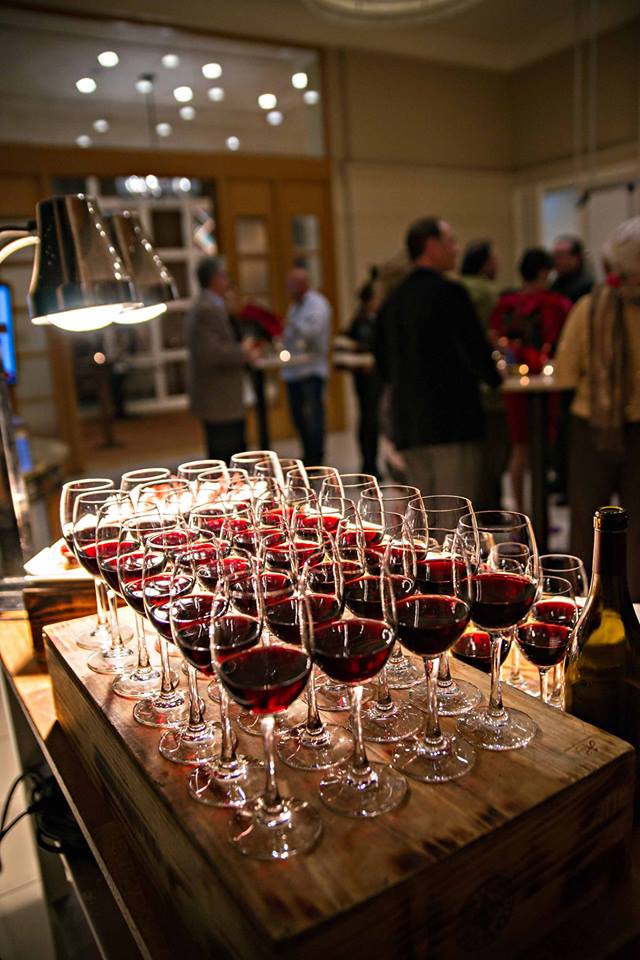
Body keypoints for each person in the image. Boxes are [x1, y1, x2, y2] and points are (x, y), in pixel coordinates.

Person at [376, 217, 501, 502]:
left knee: (423, 512)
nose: (456, 249)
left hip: (409, 423)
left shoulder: (393, 300)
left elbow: (382, 364)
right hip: (451, 422)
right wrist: (495, 378)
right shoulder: (450, 293)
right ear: (431, 246)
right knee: (452, 510)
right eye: (451, 242)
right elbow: (475, 352)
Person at [554, 217, 640, 597]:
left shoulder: (589, 308)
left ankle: (581, 599)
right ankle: (632, 608)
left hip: (592, 425)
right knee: (637, 529)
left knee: (588, 520)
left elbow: (565, 375)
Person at [490, 248, 571, 512]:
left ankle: (521, 512)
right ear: (544, 273)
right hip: (546, 383)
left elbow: (494, 337)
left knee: (520, 448)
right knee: (539, 449)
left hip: (515, 384)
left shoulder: (506, 304)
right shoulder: (554, 304)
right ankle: (535, 515)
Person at [185, 256, 262, 462]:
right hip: (218, 396)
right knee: (226, 454)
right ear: (215, 279)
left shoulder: (216, 305)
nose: (228, 281)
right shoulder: (206, 308)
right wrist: (243, 352)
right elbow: (212, 352)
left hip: (224, 395)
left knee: (233, 448)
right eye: (225, 276)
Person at [459, 239, 506, 509]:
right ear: (485, 263)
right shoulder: (487, 292)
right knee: (493, 454)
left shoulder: (456, 285)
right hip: (485, 387)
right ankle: (491, 508)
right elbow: (489, 336)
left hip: (459, 388)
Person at [281, 266, 331, 465]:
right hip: (293, 369)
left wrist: (292, 326)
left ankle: (316, 458)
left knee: (313, 417)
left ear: (302, 284)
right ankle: (308, 454)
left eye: (291, 285)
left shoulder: (317, 304)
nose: (288, 290)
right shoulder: (294, 307)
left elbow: (312, 333)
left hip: (311, 369)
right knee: (298, 417)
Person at [345, 268, 383, 476]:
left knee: (369, 419)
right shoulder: (365, 322)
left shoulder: (361, 320)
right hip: (368, 378)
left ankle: (370, 462)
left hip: (366, 378)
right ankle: (369, 464)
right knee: (370, 420)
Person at [459, 239, 499, 331]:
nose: (497, 264)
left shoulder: (456, 284)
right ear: (484, 263)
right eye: (494, 259)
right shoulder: (486, 290)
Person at [551, 235, 593, 303]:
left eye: (560, 255)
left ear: (576, 258)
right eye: (555, 256)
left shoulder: (586, 286)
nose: (556, 261)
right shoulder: (556, 284)